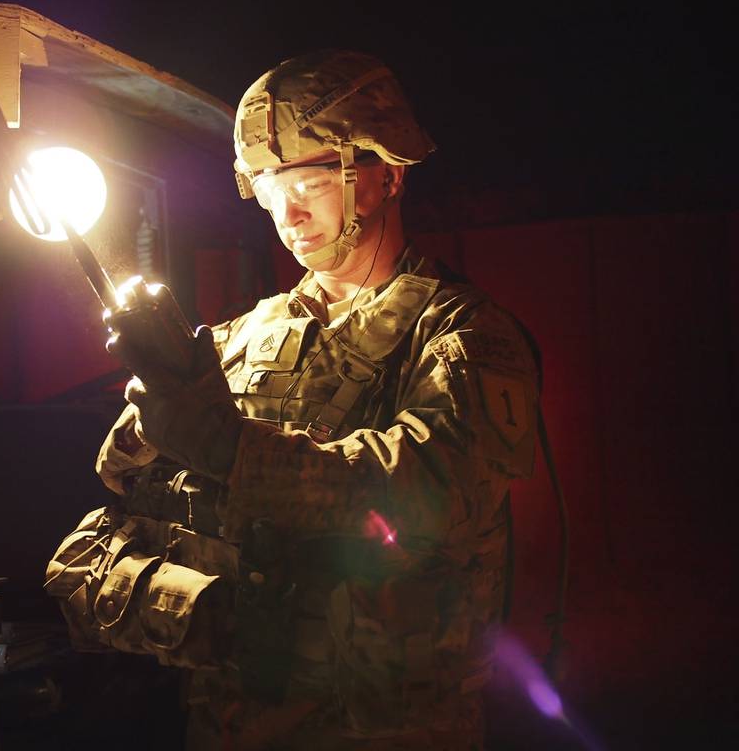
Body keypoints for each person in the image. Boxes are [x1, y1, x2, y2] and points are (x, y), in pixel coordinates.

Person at [95, 50, 539, 749]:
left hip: (389, 730)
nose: (286, 208)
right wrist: (158, 401)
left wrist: (229, 449)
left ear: (386, 173)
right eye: (268, 183)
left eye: (310, 177)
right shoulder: (244, 336)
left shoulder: (463, 335)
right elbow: (128, 479)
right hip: (231, 718)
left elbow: (425, 495)